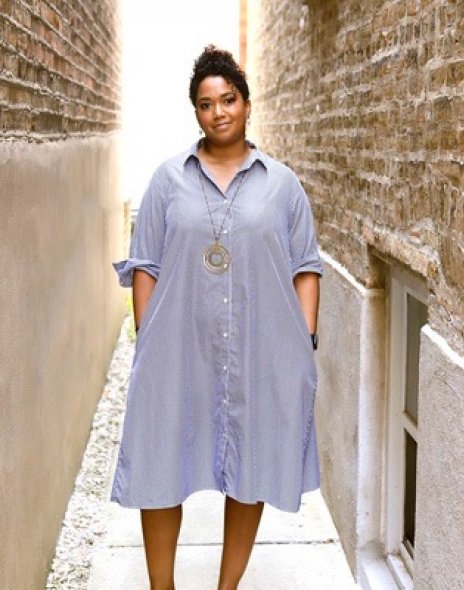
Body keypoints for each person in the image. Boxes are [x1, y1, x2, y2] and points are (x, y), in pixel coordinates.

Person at [111, 45, 323, 590]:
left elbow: (305, 265)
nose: (219, 112)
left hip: (259, 348)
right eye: (206, 104)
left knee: (248, 468)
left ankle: (226, 587)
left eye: (228, 99)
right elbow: (146, 263)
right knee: (161, 464)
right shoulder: (167, 180)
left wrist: (304, 341)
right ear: (196, 113)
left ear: (247, 105)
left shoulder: (283, 186)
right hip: (178, 349)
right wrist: (147, 339)